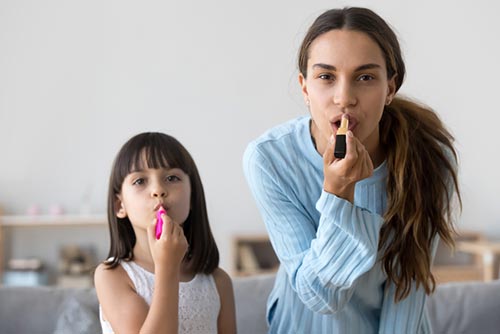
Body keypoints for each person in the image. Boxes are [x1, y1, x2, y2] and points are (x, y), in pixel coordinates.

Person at [243, 7, 461, 334]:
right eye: (326, 77)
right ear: (305, 88)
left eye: (365, 77)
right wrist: (338, 194)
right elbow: (319, 296)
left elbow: (408, 288)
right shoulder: (270, 159)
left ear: (390, 88)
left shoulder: (431, 156)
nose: (344, 98)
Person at [95, 132, 236, 334]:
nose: (158, 190)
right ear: (120, 205)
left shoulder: (218, 281)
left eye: (172, 178)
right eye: (140, 181)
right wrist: (167, 266)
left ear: (193, 196)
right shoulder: (112, 276)